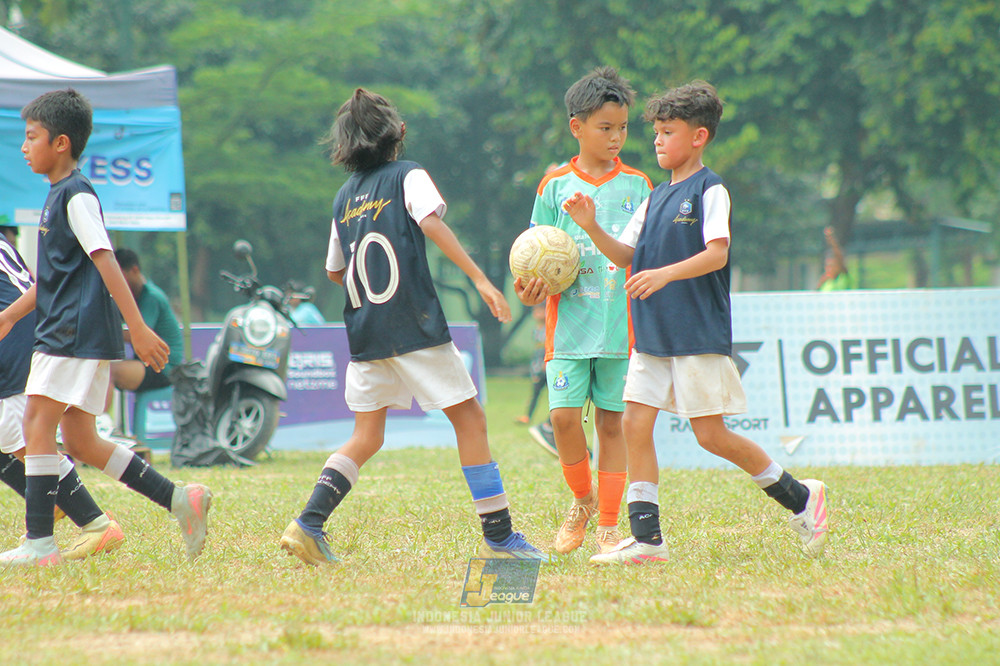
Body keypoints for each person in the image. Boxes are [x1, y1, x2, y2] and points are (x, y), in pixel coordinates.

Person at [279, 88, 547, 565]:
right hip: (411, 323)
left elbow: (334, 271)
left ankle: (308, 523)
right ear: (399, 133)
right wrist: (482, 280)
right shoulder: (409, 175)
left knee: (367, 436)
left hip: (366, 331)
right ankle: (500, 537)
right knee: (471, 419)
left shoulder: (343, 197)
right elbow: (431, 223)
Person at [564, 80, 829, 565]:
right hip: (652, 335)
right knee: (634, 424)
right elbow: (627, 255)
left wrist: (663, 274)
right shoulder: (655, 197)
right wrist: (590, 226)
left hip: (694, 333)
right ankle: (647, 540)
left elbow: (716, 253)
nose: (658, 141)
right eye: (657, 133)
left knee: (711, 436)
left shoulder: (711, 190)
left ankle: (801, 496)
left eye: (668, 132)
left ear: (699, 136)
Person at [0, 89, 211, 566]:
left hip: (70, 334)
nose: (23, 147)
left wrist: (136, 327)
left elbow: (104, 258)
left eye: (31, 137)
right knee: (79, 441)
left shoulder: (75, 195)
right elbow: (54, 278)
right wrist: (12, 316)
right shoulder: (57, 197)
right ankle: (181, 499)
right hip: (74, 333)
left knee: (35, 423)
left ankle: (39, 544)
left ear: (60, 143)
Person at [515, 66, 653, 557]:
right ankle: (582, 501)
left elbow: (640, 255)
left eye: (622, 128)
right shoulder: (553, 187)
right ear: (577, 127)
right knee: (563, 420)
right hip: (568, 329)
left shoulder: (639, 186)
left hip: (621, 330)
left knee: (613, 425)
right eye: (605, 128)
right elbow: (534, 254)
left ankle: (610, 526)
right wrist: (529, 289)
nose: (616, 138)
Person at [0, 232, 124, 562]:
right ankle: (50, 500)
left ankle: (95, 522)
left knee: (22, 438)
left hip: (13, 337)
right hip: (27, 328)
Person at [105, 248, 184, 411]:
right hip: (147, 363)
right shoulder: (133, 297)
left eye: (120, 277)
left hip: (164, 367)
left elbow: (139, 334)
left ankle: (99, 422)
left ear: (134, 270)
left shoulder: (151, 296)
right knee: (98, 367)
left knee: (108, 372)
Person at [515, 304, 548, 428]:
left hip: (546, 364)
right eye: (535, 311)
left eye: (540, 311)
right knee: (535, 392)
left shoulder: (549, 327)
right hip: (537, 364)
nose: (537, 314)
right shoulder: (536, 328)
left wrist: (546, 363)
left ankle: (551, 419)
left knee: (553, 394)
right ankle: (528, 416)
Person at [817, 226, 855, 290]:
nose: (829, 268)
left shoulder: (843, 278)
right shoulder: (825, 282)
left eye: (832, 266)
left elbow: (840, 257)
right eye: (827, 266)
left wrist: (831, 240)